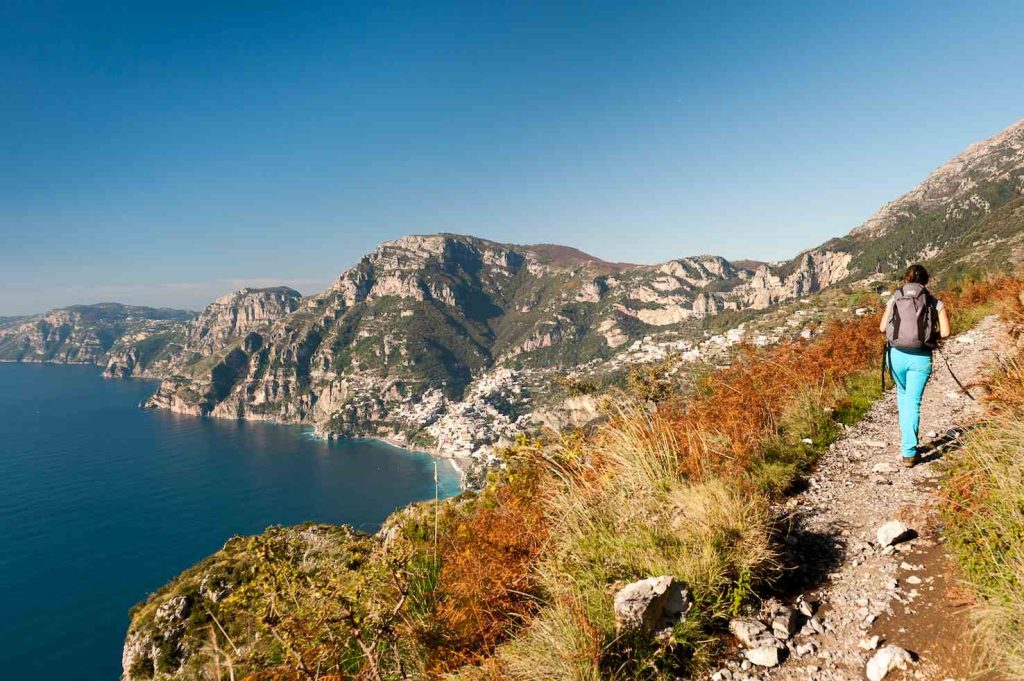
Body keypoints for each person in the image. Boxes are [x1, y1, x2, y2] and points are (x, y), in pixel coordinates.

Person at [879, 264, 951, 467]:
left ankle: (907, 443)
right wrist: (929, 336)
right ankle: (909, 451)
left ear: (906, 279)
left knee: (903, 396)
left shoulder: (895, 298)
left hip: (895, 356)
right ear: (926, 281)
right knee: (913, 401)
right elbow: (945, 333)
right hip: (920, 358)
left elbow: (883, 327)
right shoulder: (935, 302)